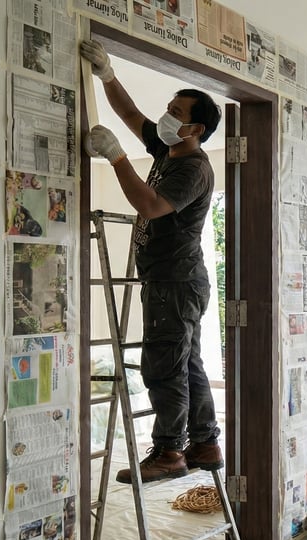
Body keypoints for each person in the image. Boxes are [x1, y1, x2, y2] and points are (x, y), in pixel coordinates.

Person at [80, 39, 223, 484]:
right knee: (188, 362)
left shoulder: (193, 167)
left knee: (163, 364)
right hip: (179, 279)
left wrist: (117, 157)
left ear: (195, 129)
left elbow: (151, 205)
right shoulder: (169, 149)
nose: (165, 116)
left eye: (175, 114)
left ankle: (169, 452)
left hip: (175, 281)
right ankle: (204, 442)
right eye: (169, 108)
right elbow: (129, 114)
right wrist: (107, 74)